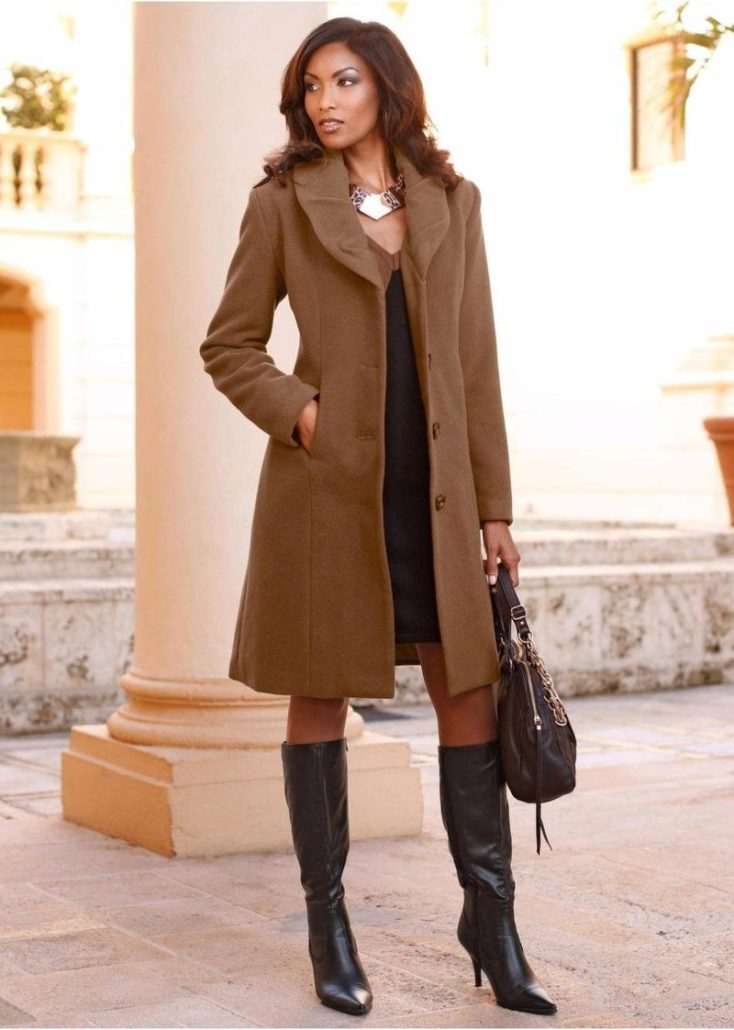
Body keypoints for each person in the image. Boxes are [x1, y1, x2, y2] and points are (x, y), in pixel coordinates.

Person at [199, 15, 557, 1020]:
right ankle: (328, 925)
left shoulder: (452, 201)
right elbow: (228, 344)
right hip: (328, 491)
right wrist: (304, 414)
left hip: (437, 493)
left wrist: (494, 506)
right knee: (318, 698)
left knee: (467, 694)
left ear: (387, 87)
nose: (324, 101)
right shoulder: (282, 201)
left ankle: (492, 922)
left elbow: (474, 362)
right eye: (311, 85)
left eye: (344, 80)